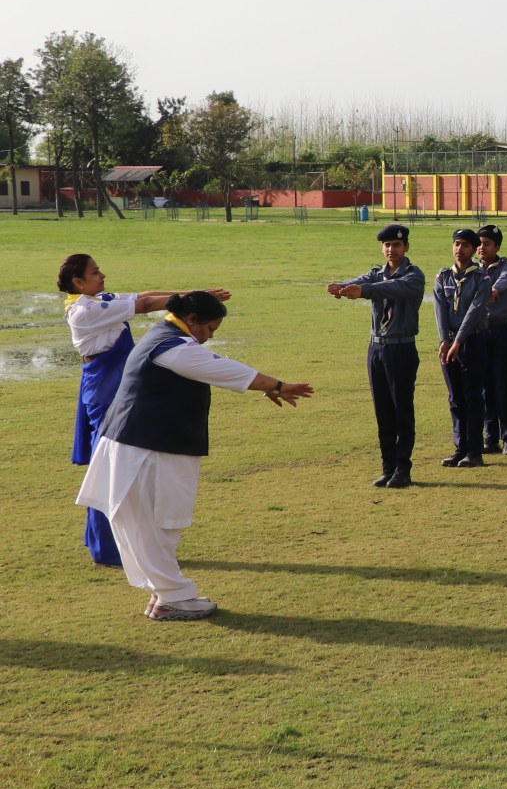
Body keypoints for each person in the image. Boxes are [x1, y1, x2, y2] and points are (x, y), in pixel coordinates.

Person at [76, 292, 314, 619]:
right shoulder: (172, 347)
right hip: (147, 449)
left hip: (145, 445)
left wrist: (270, 386)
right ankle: (172, 598)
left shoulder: (163, 335)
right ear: (191, 320)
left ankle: (165, 594)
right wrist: (277, 384)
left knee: (155, 525)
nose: (211, 335)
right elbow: (221, 368)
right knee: (157, 524)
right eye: (210, 328)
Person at [61, 254, 230, 568]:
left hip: (114, 384)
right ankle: (108, 549)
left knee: (112, 467)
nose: (102, 275)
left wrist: (195, 295)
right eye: (95, 272)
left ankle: (105, 541)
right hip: (105, 388)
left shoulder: (99, 300)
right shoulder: (86, 310)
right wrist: (193, 299)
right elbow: (146, 305)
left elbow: (145, 295)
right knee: (107, 469)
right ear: (78, 282)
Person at [328, 224, 427, 488]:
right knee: (382, 411)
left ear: (406, 247)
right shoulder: (376, 274)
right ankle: (388, 467)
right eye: (387, 245)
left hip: (401, 349)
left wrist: (364, 291)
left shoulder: (414, 276)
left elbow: (392, 288)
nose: (391, 249)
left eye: (396, 245)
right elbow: (360, 282)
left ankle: (403, 469)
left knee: (401, 410)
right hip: (376, 349)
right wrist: (341, 287)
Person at [431, 228, 492, 468]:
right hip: (449, 343)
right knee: (455, 397)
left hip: (472, 341)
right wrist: (444, 340)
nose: (460, 249)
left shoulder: (481, 278)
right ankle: (460, 448)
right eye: (457, 243)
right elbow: (440, 311)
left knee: (472, 396)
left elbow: (474, 312)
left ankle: (474, 451)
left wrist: (458, 341)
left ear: (474, 249)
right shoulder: (443, 277)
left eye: (466, 245)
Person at [474, 225, 507, 455]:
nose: (482, 248)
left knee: (502, 385)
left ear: (497, 246)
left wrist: (494, 290)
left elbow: (506, 279)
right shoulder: (472, 270)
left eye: (487, 244)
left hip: (501, 331)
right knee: (484, 387)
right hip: (479, 333)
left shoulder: (506, 266)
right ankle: (490, 437)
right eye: (479, 244)